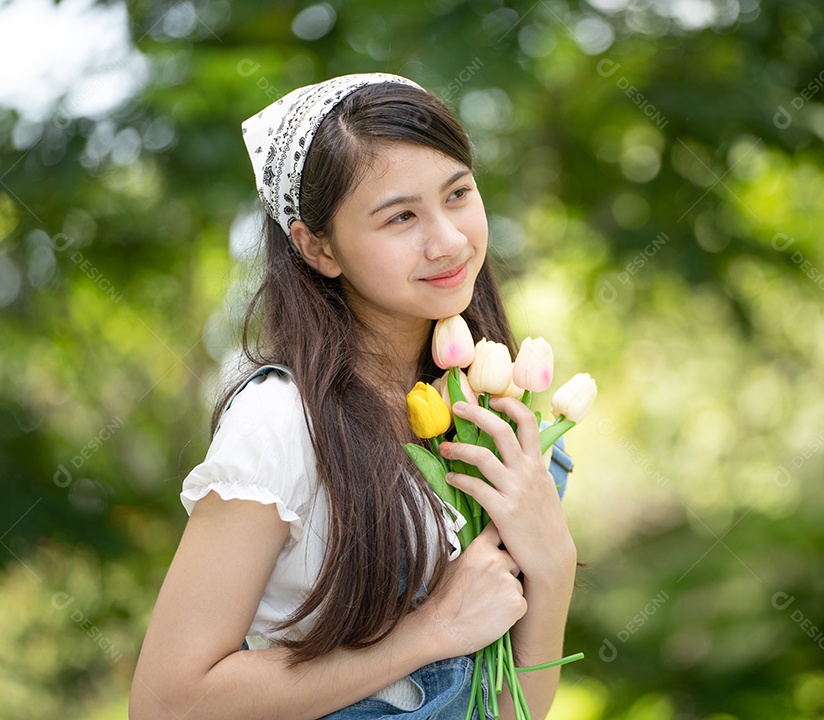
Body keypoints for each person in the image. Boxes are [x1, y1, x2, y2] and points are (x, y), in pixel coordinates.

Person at [129, 73, 578, 720]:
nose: (448, 240)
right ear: (317, 246)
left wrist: (554, 565)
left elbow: (509, 710)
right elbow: (166, 704)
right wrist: (428, 632)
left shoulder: (484, 402)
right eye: (401, 216)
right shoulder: (282, 422)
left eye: (458, 194)